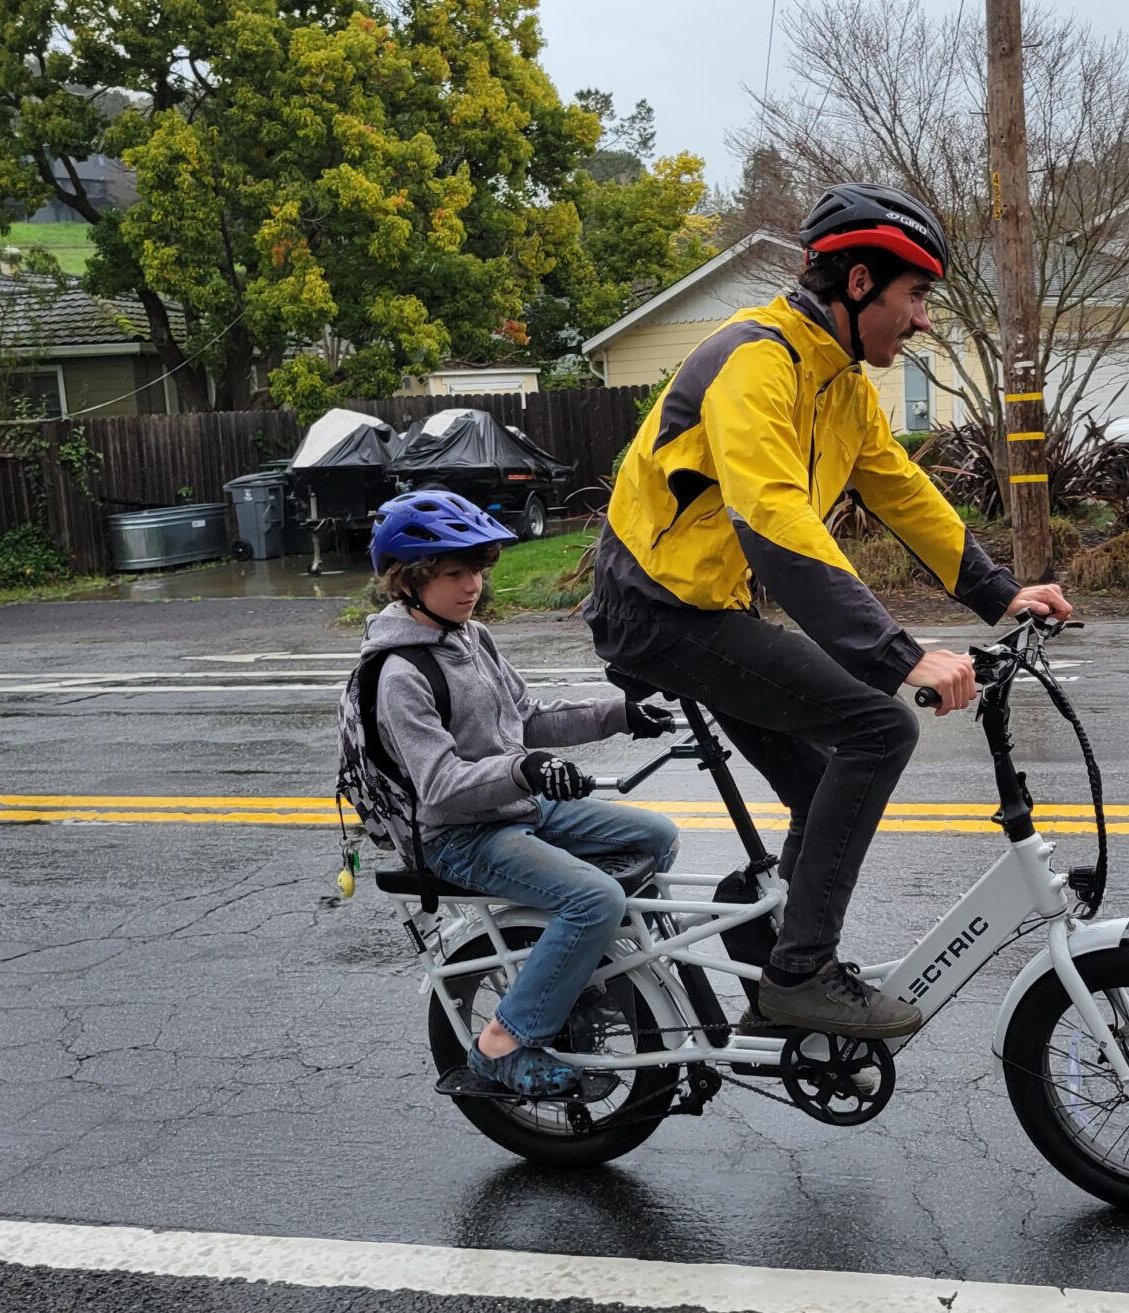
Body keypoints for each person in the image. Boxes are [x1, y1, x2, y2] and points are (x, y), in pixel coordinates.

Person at [583, 183, 1070, 1041]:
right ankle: (800, 974)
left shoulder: (838, 381)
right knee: (879, 728)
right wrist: (897, 655)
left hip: (706, 606)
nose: (921, 320)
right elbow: (774, 516)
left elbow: (902, 489)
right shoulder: (755, 362)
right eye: (913, 296)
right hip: (656, 613)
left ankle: (766, 933)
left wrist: (998, 591)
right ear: (856, 285)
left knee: (820, 784)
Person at [364, 491, 680, 1097]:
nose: (472, 585)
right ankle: (502, 1045)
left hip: (518, 806)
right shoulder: (401, 675)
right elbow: (440, 785)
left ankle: (593, 970)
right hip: (460, 833)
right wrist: (526, 771)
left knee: (656, 836)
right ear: (409, 581)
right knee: (594, 899)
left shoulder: (472, 638)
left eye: (478, 570)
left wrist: (621, 713)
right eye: (454, 573)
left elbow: (528, 720)